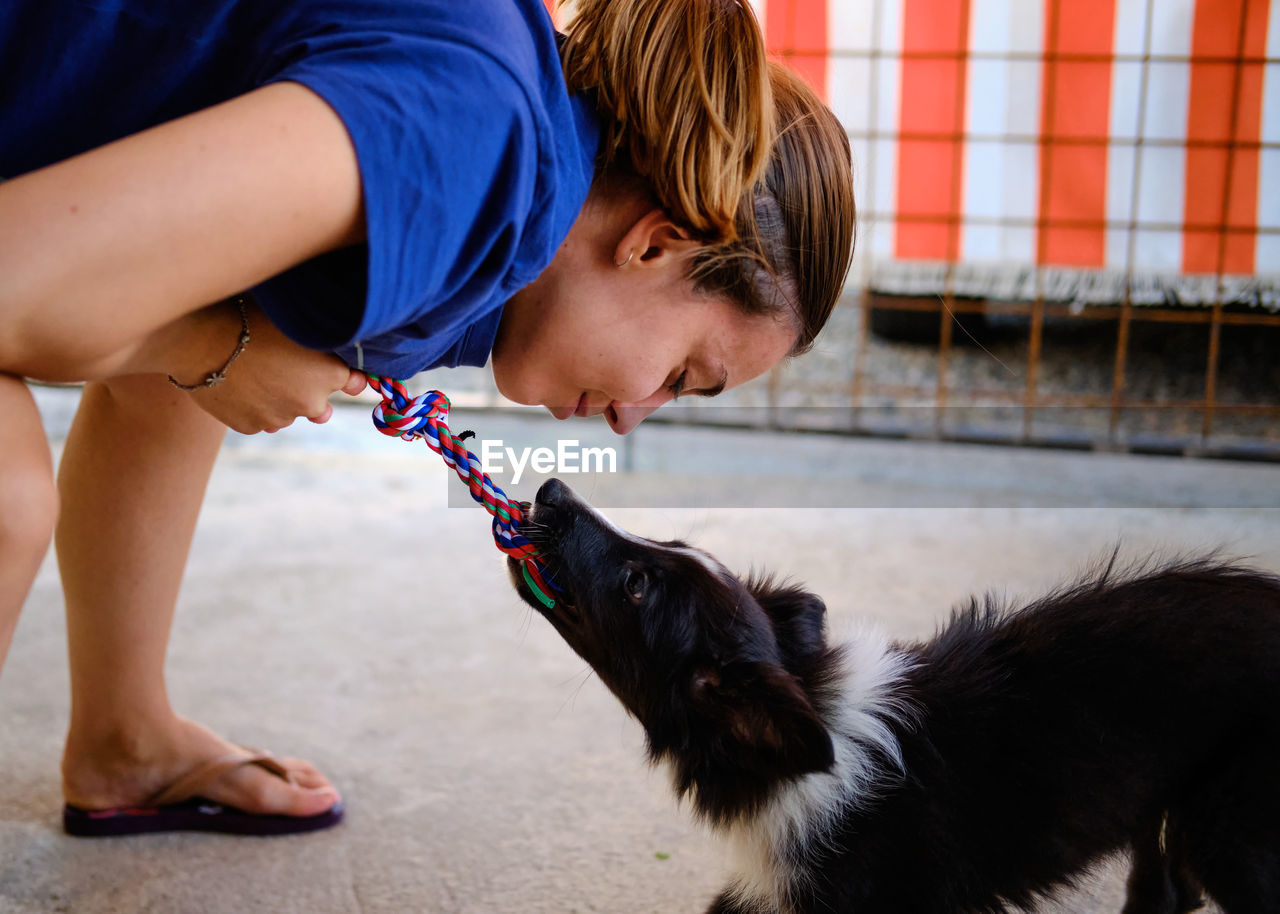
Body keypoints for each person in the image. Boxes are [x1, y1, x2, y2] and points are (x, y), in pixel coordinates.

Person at [0, 0, 856, 835]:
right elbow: (18, 281)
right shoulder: (476, 141)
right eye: (679, 374)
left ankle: (124, 735)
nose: (634, 418)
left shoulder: (514, 182)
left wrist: (203, 340)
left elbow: (144, 276)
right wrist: (213, 348)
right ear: (655, 242)